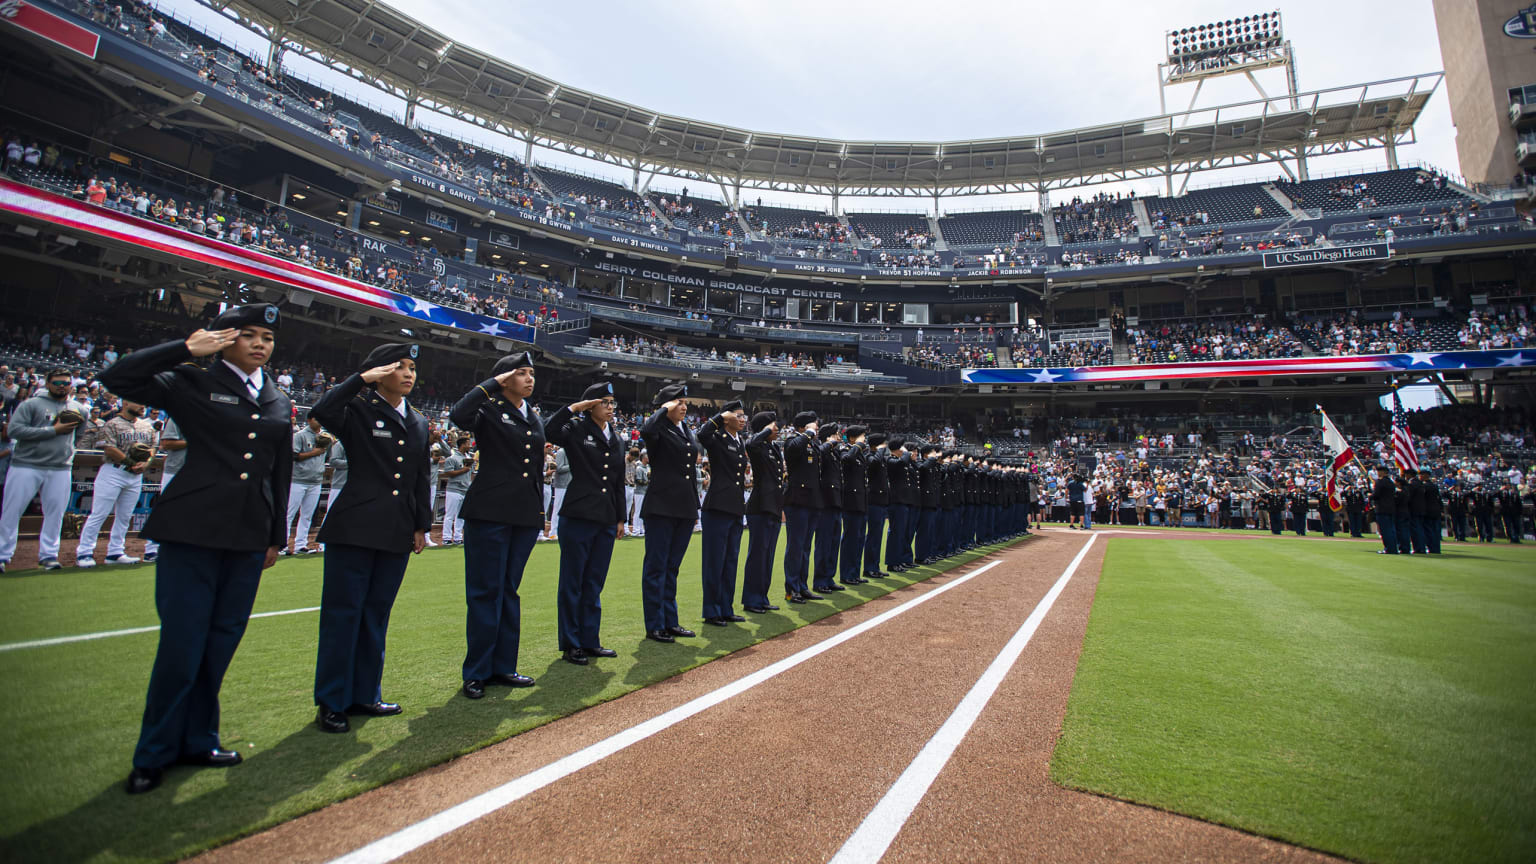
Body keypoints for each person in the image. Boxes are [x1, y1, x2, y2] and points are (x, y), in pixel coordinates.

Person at [98, 304, 291, 794]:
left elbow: (278, 469)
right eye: (247, 334)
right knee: (182, 644)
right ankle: (154, 752)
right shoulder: (191, 380)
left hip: (248, 535)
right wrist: (185, 348)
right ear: (226, 340)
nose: (259, 344)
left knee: (220, 642)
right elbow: (117, 376)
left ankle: (200, 739)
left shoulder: (276, 398)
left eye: (266, 337)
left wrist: (275, 534)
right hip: (193, 529)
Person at [310, 343, 431, 734]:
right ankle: (332, 700)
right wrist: (360, 381)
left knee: (376, 615)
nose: (409, 374)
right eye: (400, 367)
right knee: (343, 615)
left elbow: (420, 477)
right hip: (355, 527)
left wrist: (420, 524)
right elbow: (322, 411)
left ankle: (365, 693)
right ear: (379, 372)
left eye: (413, 367)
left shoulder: (419, 421)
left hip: (396, 529)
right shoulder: (358, 409)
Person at [449, 352, 544, 699]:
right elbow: (458, 416)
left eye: (532, 374)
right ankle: (476, 671)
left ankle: (504, 666)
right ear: (504, 379)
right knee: (485, 591)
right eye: (521, 374)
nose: (530, 379)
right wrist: (490, 386)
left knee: (508, 591)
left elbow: (532, 468)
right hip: (489, 511)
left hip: (522, 515)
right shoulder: (489, 409)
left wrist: (538, 514)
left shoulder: (531, 415)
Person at [546, 381, 626, 665]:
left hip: (605, 518)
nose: (610, 407)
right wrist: (575, 409)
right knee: (573, 582)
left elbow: (617, 480)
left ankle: (590, 639)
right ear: (590, 405)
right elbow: (550, 430)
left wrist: (620, 517)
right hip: (578, 515)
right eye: (604, 402)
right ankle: (571, 642)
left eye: (612, 403)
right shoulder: (577, 429)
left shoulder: (617, 438)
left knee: (594, 582)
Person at [0, 368, 85, 572]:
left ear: (71, 385)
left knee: (55, 514)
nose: (62, 386)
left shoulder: (79, 408)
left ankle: (48, 555)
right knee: (12, 511)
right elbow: (14, 431)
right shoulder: (31, 404)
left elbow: (78, 436)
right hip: (26, 464)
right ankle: (2, 554)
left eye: (66, 382)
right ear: (47, 384)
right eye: (57, 382)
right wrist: (52, 431)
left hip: (60, 467)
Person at [638, 384, 701, 643]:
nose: (683, 407)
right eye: (678, 402)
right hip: (661, 505)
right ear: (666, 406)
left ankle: (670, 620)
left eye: (685, 402)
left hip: (684, 506)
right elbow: (646, 431)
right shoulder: (658, 429)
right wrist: (662, 409)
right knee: (657, 566)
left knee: (672, 567)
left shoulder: (684, 429)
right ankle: (655, 624)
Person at [75, 397, 157, 567]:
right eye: (139, 402)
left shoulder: (146, 426)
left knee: (125, 516)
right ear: (126, 403)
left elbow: (152, 448)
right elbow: (109, 448)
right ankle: (84, 552)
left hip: (135, 475)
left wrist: (146, 463)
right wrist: (132, 463)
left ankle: (115, 552)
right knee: (99, 514)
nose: (143, 406)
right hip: (113, 471)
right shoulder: (112, 423)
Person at [696, 400, 749, 626]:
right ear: (727, 418)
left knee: (730, 561)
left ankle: (726, 607)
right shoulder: (718, 439)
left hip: (735, 506)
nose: (742, 419)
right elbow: (702, 434)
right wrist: (719, 418)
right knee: (714, 562)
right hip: (717, 506)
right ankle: (712, 610)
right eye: (738, 415)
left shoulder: (740, 442)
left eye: (743, 415)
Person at [741, 411, 782, 614]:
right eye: (773, 426)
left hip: (773, 506)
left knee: (768, 556)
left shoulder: (773, 448)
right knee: (757, 555)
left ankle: (762, 596)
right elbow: (750, 444)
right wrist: (765, 430)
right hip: (760, 506)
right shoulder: (757, 446)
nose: (777, 429)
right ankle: (751, 599)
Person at [781, 412, 823, 604]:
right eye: (812, 425)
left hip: (812, 500)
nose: (816, 428)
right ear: (801, 427)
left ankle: (802, 586)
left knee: (806, 547)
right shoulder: (793, 440)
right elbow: (792, 452)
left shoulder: (814, 445)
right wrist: (807, 433)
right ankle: (791, 590)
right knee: (795, 547)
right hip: (797, 500)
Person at [141, 417, 188, 563]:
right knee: (165, 511)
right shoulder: (178, 416)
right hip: (175, 470)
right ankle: (151, 549)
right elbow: (166, 443)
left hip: (199, 471)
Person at [285, 413, 327, 554]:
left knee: (307, 515)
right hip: (298, 479)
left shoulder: (324, 436)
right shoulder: (300, 435)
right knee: (290, 513)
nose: (319, 421)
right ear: (309, 420)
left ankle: (300, 544)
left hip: (315, 480)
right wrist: (314, 452)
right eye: (316, 418)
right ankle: (282, 544)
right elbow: (293, 455)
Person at [811, 423, 844, 593]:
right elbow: (819, 454)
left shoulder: (835, 452)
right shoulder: (821, 449)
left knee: (833, 543)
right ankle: (820, 580)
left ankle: (829, 577)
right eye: (836, 434)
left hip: (836, 501)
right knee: (823, 544)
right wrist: (828, 443)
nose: (839, 436)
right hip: (825, 502)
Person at [838, 425, 869, 585]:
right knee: (850, 538)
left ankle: (855, 572)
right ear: (852, 438)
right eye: (861, 436)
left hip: (861, 501)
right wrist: (857, 445)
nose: (864, 439)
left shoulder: (860, 454)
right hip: (850, 501)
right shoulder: (845, 450)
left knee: (859, 539)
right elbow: (846, 460)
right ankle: (846, 574)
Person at [863, 432, 890, 580]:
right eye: (882, 444)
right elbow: (872, 464)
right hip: (873, 500)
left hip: (881, 500)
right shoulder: (869, 456)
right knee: (873, 536)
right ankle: (869, 567)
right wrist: (879, 451)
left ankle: (875, 566)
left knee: (878, 536)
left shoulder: (880, 458)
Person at [439, 435, 474, 545]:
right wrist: (463, 470)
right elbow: (448, 473)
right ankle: (446, 537)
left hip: (465, 488)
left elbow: (471, 474)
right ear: (462, 444)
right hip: (453, 488)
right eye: (468, 443)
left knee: (461, 515)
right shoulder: (452, 458)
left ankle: (458, 537)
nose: (469, 446)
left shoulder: (469, 458)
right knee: (450, 514)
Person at [882, 437, 910, 574]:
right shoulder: (890, 460)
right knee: (895, 533)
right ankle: (892, 563)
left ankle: (898, 561)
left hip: (902, 500)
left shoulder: (898, 461)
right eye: (901, 448)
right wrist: (906, 452)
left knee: (900, 533)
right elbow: (903, 462)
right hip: (895, 501)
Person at [1372, 468, 1398, 554]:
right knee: (1391, 529)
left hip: (1382, 508)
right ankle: (1393, 547)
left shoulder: (1380, 482)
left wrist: (1370, 495)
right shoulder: (1391, 482)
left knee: (1385, 530)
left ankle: (1388, 548)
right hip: (1391, 508)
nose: (1378, 473)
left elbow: (1376, 495)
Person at [1418, 469, 1442, 554]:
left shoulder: (1424, 486)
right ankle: (1436, 548)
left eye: (1421, 475)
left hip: (1427, 510)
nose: (1419, 477)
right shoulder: (1434, 486)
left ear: (1425, 475)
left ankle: (1431, 547)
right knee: (1435, 531)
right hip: (1436, 510)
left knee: (1428, 530)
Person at [629, 451, 649, 536]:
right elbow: (639, 480)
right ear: (643, 459)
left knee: (642, 511)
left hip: (645, 491)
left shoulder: (646, 468)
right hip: (639, 491)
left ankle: (641, 528)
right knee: (638, 510)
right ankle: (635, 529)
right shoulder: (639, 468)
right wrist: (647, 480)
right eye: (647, 457)